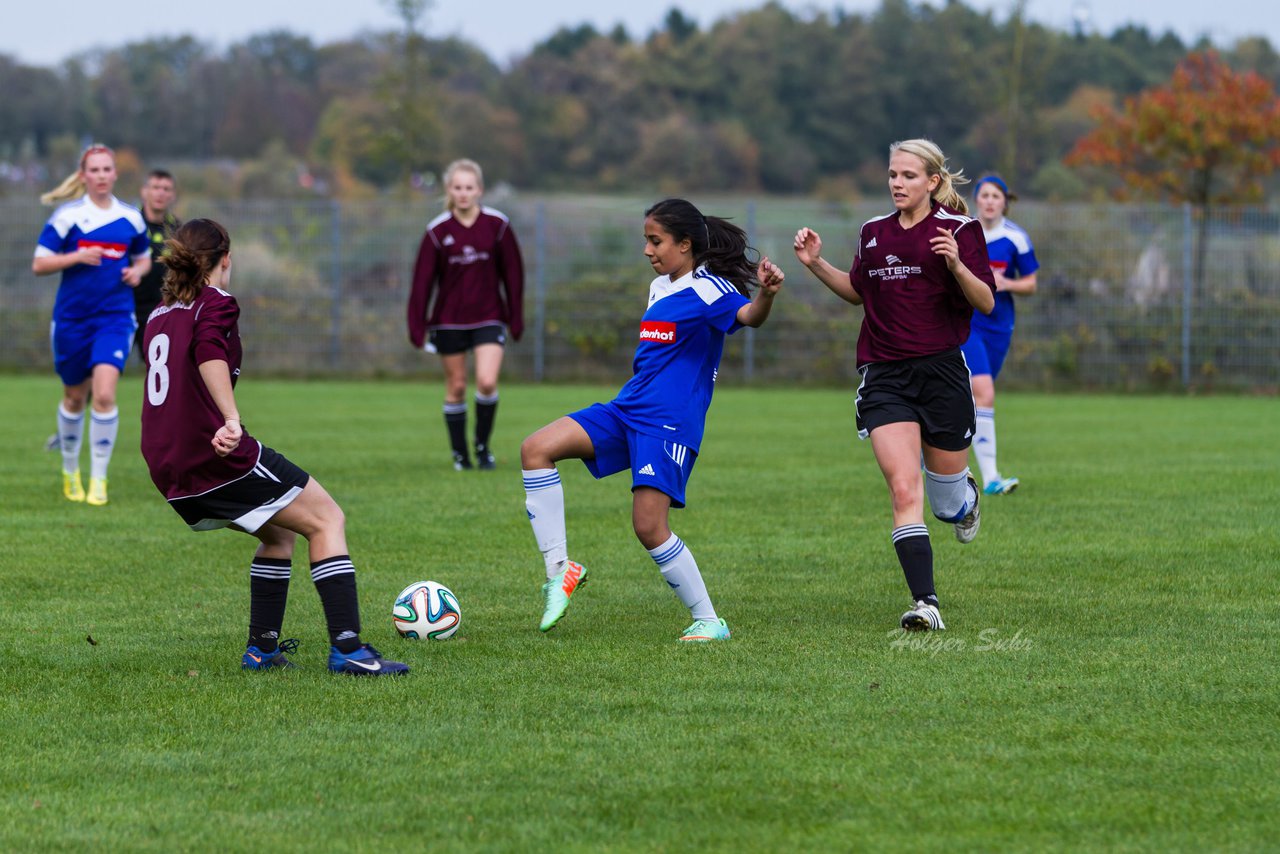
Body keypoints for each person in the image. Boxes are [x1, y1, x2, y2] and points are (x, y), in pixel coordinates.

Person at [140, 218, 408, 676]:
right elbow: (208, 354)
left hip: (167, 466)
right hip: (213, 455)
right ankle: (349, 649)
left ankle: (262, 651)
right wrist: (230, 419)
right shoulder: (215, 302)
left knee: (278, 534)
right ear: (226, 258)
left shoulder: (159, 314)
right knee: (327, 519)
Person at [520, 198, 784, 642]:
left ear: (685, 244)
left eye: (655, 240)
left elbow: (747, 316)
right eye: (646, 240)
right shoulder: (661, 286)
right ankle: (561, 572)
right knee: (536, 449)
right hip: (628, 408)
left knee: (648, 527)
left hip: (669, 423)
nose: (647, 250)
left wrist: (767, 295)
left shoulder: (710, 290)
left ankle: (708, 621)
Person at [792, 138, 995, 632]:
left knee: (946, 505)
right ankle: (926, 602)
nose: (897, 183)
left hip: (943, 373)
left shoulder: (959, 229)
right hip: (884, 375)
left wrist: (956, 265)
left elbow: (986, 301)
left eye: (908, 176)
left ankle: (964, 500)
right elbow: (858, 294)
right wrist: (818, 264)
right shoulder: (872, 232)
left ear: (932, 181)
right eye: (892, 175)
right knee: (905, 490)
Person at [34, 144, 151, 507]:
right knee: (74, 396)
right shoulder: (68, 217)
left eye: (107, 169)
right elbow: (40, 263)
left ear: (115, 174)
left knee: (104, 394)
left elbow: (144, 258)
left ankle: (99, 479)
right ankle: (71, 470)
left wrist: (137, 272)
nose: (101, 176)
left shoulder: (131, 218)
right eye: (94, 170)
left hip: (114, 317)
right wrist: (77, 256)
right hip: (72, 319)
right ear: (83, 176)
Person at [407, 158, 524, 471]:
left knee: (486, 381)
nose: (463, 193)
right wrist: (416, 325)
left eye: (469, 187)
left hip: (489, 316)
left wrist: (516, 315)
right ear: (449, 190)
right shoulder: (436, 231)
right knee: (457, 385)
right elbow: (421, 283)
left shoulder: (497, 226)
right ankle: (461, 455)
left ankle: (483, 448)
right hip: (449, 320)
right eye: (457, 187)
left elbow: (513, 274)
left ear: (479, 190)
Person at [961, 174, 1039, 495]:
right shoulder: (964, 233)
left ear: (1005, 202)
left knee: (972, 396)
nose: (990, 201)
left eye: (996, 196)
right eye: (985, 195)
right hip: (967, 322)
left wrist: (1006, 284)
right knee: (984, 393)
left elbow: (1031, 283)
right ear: (976, 199)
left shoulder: (1016, 238)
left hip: (999, 325)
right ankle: (991, 477)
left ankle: (934, 454)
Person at [133, 169, 181, 361]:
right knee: (101, 368)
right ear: (144, 191)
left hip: (161, 309)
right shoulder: (128, 224)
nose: (160, 193)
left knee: (160, 367)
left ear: (173, 195)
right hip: (124, 306)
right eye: (155, 187)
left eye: (166, 189)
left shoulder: (178, 230)